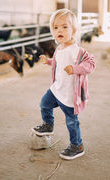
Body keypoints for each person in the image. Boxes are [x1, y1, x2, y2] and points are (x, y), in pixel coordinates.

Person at [32, 9, 95, 160]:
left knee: (71, 122)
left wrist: (75, 69)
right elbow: (59, 63)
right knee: (44, 104)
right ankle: (48, 124)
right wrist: (49, 62)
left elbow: (91, 65)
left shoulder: (76, 50)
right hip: (57, 89)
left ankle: (77, 145)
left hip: (69, 94)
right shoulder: (59, 48)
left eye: (64, 27)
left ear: (73, 30)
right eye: (55, 27)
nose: (59, 30)